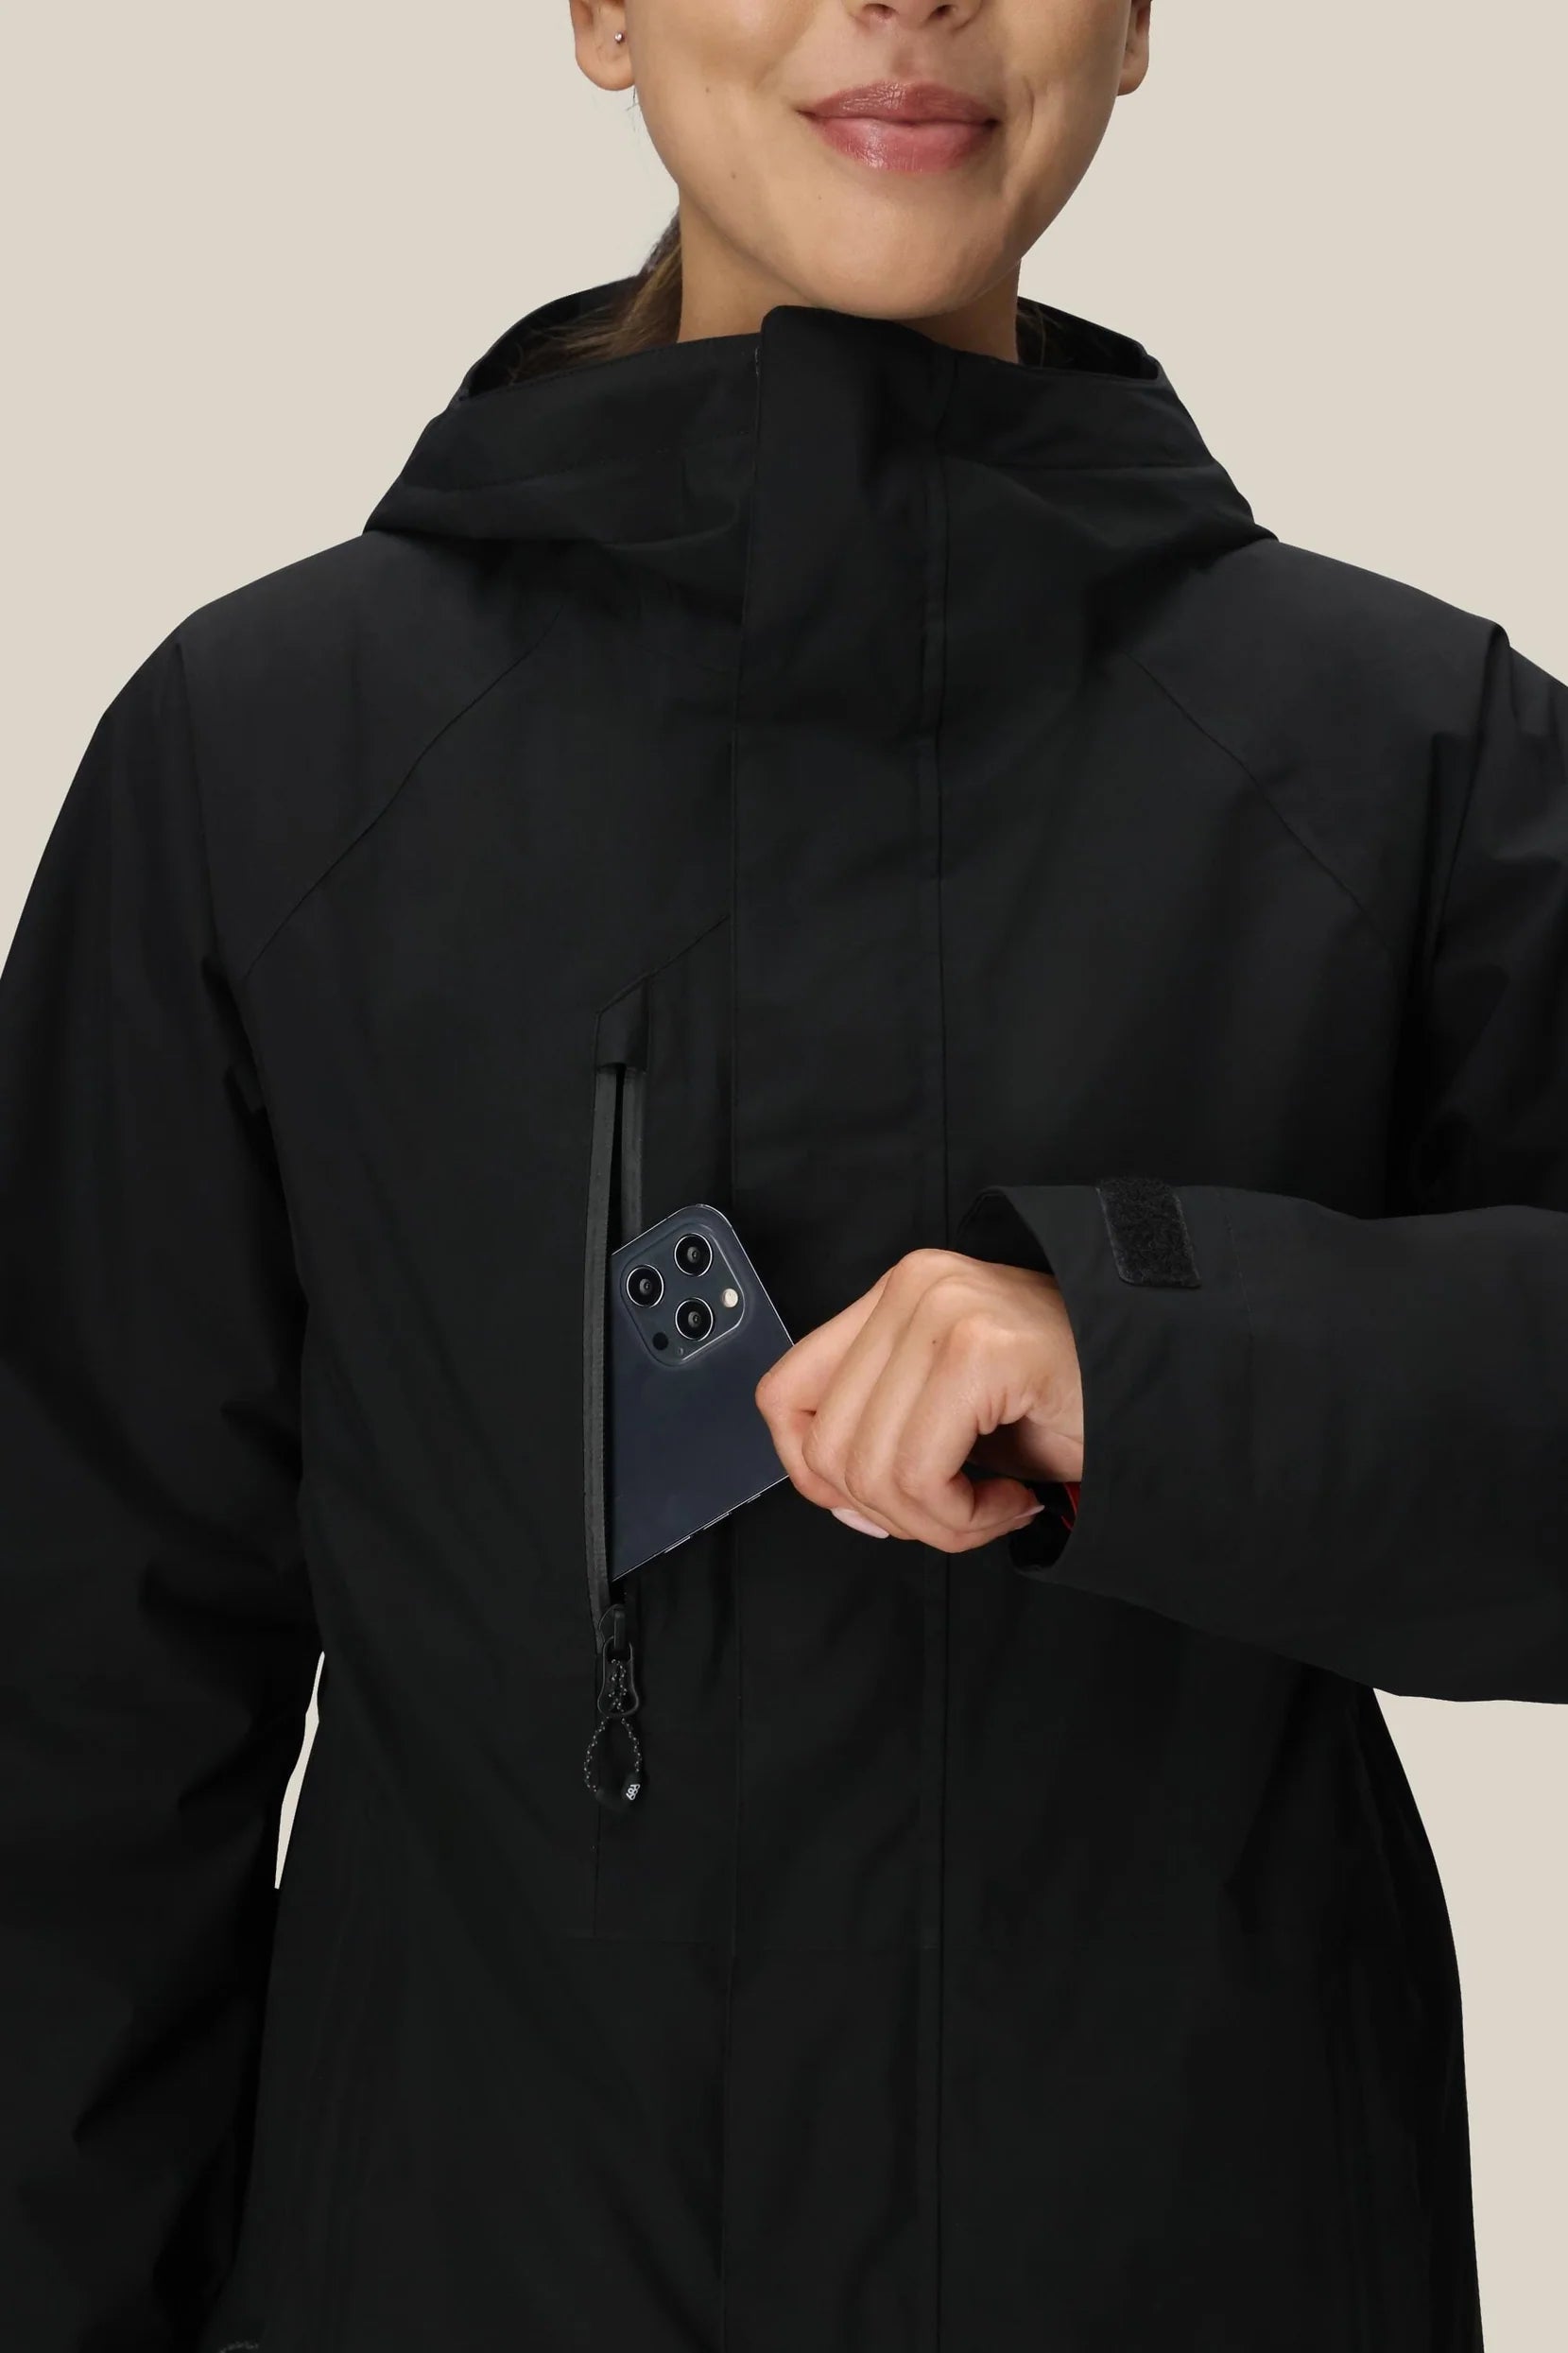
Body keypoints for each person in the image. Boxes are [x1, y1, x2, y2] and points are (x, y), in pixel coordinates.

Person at [2, 1, 1563, 2345]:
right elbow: (70, 1756)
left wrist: (1146, 1357)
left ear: (1135, 20)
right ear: (601, 10)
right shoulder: (267, 765)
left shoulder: (1405, 761)